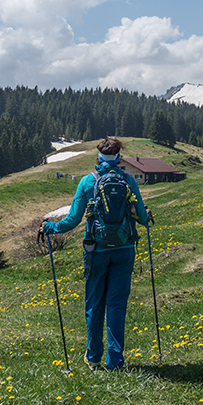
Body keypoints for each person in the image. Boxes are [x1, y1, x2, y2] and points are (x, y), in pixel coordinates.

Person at [40, 137, 152, 371]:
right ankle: (116, 362)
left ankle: (93, 359)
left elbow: (72, 220)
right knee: (117, 305)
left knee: (94, 304)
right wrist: (146, 215)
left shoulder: (87, 182)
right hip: (124, 250)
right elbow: (142, 218)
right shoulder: (129, 180)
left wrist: (49, 227)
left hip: (96, 250)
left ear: (98, 157)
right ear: (119, 157)